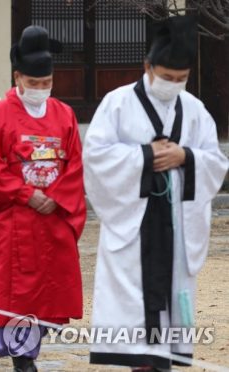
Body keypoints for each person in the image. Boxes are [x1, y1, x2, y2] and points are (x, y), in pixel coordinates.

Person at [83, 16, 229, 371]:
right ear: (147, 67)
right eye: (166, 77)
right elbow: (96, 156)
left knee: (172, 304)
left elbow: (215, 160)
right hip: (135, 223)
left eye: (181, 79)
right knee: (133, 308)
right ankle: (140, 363)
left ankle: (161, 361)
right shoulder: (117, 103)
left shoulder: (194, 110)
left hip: (178, 220)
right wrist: (145, 156)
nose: (173, 84)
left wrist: (186, 156)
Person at [0, 25, 85, 371]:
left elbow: (75, 163)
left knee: (50, 288)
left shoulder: (64, 114)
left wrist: (56, 195)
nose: (40, 90)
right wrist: (25, 193)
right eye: (33, 84)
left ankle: (32, 345)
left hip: (52, 214)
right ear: (18, 77)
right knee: (16, 288)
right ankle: (22, 356)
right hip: (13, 217)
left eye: (46, 83)